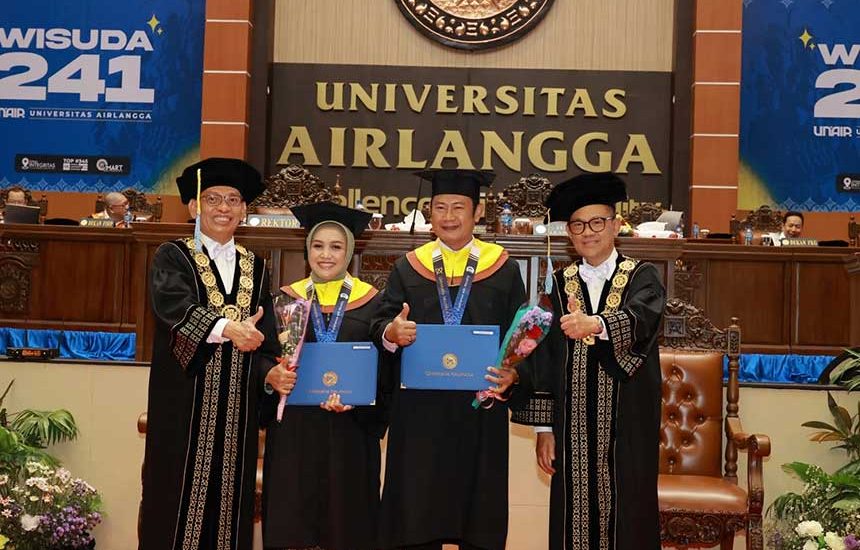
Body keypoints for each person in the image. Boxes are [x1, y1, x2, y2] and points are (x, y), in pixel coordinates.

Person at [140, 157, 296, 550]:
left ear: (244, 210)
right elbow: (172, 307)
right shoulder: (172, 256)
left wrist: (268, 374)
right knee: (172, 506)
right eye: (212, 199)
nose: (223, 208)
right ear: (194, 206)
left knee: (230, 511)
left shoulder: (256, 267)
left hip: (236, 417)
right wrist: (229, 328)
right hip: (183, 409)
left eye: (232, 200)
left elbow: (267, 341)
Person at [371, 169, 525, 550]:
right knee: (417, 512)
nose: (449, 216)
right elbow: (382, 322)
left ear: (477, 212)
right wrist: (392, 333)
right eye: (440, 207)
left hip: (478, 410)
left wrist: (512, 374)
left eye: (459, 207)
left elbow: (519, 335)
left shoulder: (503, 267)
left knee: (478, 509)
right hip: (420, 411)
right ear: (429, 212)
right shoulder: (409, 266)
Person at [511, 172, 666, 550]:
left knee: (629, 513)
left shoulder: (643, 276)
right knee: (572, 519)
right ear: (569, 233)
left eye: (597, 222)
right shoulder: (560, 284)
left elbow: (644, 317)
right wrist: (544, 431)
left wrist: (595, 324)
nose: (588, 232)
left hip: (628, 423)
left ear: (615, 225)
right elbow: (544, 360)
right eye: (578, 224)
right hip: (571, 427)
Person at [262, 201, 388, 550]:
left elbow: (386, 369)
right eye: (318, 246)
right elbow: (263, 360)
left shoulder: (373, 303)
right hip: (295, 436)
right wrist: (271, 376)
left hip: (350, 433)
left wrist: (359, 402)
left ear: (349, 251)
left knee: (348, 528)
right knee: (293, 525)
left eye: (336, 246)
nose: (326, 255)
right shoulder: (285, 302)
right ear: (307, 249)